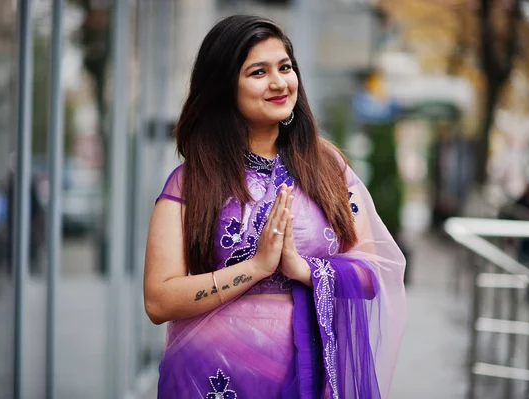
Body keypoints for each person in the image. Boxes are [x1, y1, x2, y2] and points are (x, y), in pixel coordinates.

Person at [143, 15, 406, 399]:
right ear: (223, 87)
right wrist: (255, 268)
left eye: (284, 67)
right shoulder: (192, 180)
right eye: (258, 72)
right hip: (208, 378)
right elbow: (158, 299)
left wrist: (304, 269)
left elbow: (372, 271)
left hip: (305, 377)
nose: (279, 82)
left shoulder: (327, 168)